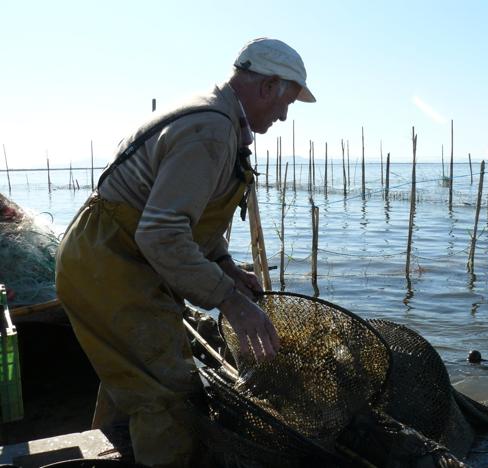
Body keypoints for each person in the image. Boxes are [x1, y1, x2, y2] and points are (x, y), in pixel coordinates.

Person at [55, 37, 315, 467]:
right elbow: (162, 234)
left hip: (116, 260)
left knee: (135, 373)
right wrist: (231, 302)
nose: (285, 115)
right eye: (286, 101)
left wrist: (226, 267)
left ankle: (119, 448)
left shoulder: (218, 119)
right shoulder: (210, 131)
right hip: (109, 264)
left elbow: (188, 219)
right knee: (171, 395)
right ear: (268, 86)